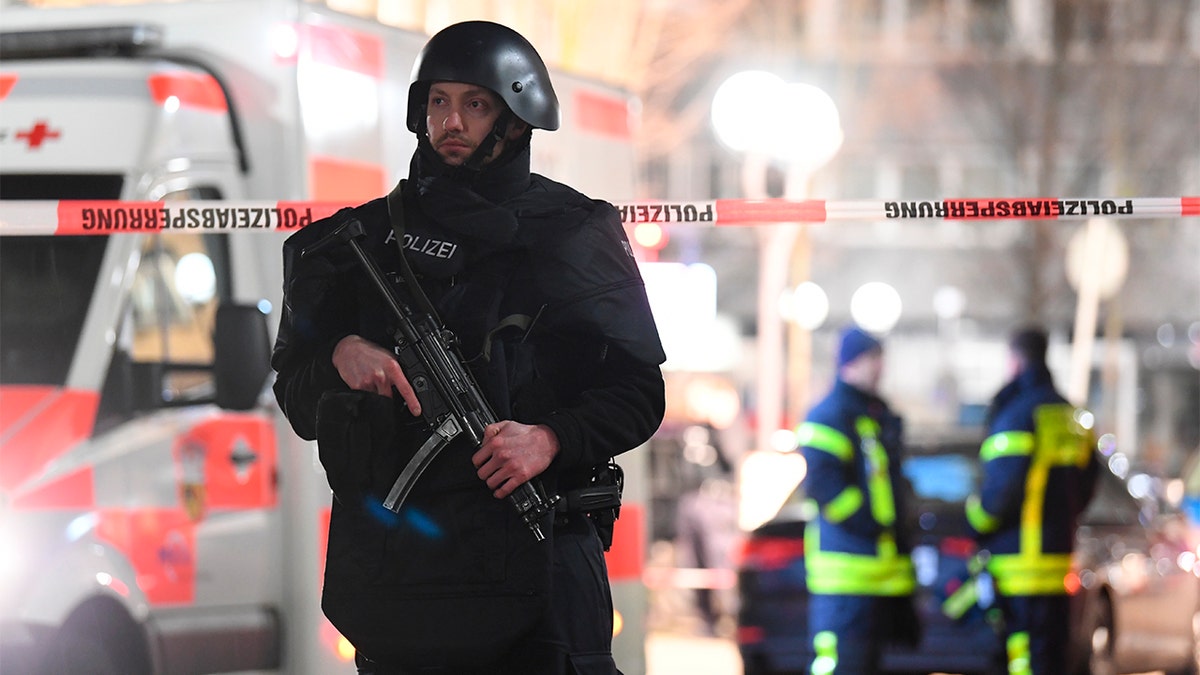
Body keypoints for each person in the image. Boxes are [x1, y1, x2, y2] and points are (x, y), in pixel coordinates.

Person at [271, 20, 666, 675]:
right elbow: (296, 393)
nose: (451, 121)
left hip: (539, 577)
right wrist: (340, 353)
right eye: (438, 101)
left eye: (475, 104)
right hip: (401, 592)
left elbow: (639, 394)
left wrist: (551, 438)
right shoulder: (353, 246)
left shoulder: (574, 236)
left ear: (516, 116)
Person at [964, 326, 1097, 675]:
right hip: (1057, 561)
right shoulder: (1071, 417)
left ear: (1014, 361)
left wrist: (975, 523)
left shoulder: (1016, 415)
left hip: (1018, 565)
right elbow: (1086, 487)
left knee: (1020, 658)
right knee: (1052, 658)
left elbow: (1001, 491)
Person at [795, 326, 916, 674]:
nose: (880, 368)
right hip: (844, 574)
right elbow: (824, 485)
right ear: (849, 363)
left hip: (879, 574)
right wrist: (870, 525)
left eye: (881, 359)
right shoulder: (829, 416)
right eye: (871, 359)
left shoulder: (874, 416)